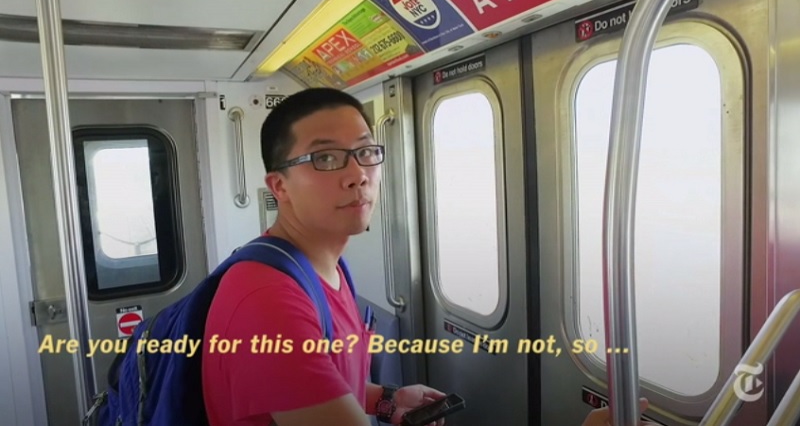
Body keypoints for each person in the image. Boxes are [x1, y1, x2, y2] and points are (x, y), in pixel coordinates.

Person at [201, 87, 659, 426]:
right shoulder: (267, 300)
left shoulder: (328, 269)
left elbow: (324, 381)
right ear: (278, 186)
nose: (358, 174)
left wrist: (389, 401)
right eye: (325, 159)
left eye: (365, 152)